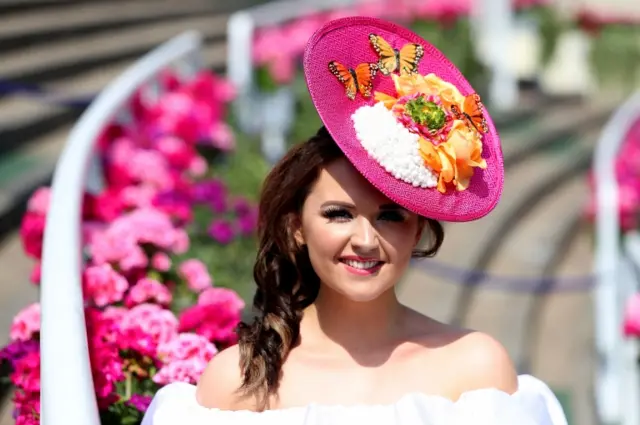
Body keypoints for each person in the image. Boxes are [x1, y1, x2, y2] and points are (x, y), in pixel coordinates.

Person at [142, 16, 568, 424]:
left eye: (389, 217)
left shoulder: (477, 369)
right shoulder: (235, 383)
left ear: (417, 228)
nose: (365, 239)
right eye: (339, 214)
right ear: (295, 227)